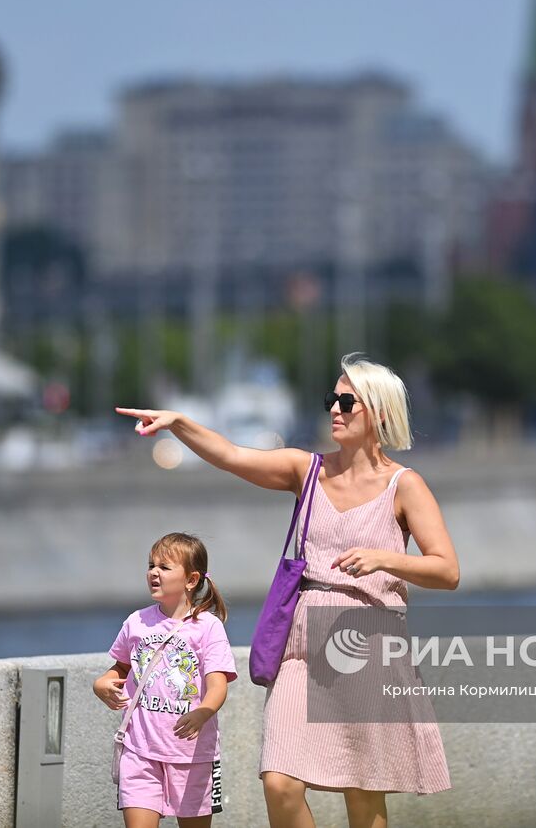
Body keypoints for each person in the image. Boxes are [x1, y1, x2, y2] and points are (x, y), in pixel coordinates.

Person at [116, 353, 458, 828]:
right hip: (301, 647)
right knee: (279, 780)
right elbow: (234, 456)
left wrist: (385, 558)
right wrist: (180, 424)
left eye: (346, 401)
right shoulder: (308, 470)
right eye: (330, 400)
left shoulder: (405, 485)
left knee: (362, 794)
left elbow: (446, 570)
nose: (333, 409)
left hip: (370, 645)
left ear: (378, 412)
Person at [95, 533, 238, 827]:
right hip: (139, 751)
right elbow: (120, 668)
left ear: (191, 579)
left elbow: (218, 685)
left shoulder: (208, 627)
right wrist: (102, 684)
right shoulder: (137, 621)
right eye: (151, 565)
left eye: (164, 567)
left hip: (192, 755)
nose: (153, 573)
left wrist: (203, 712)